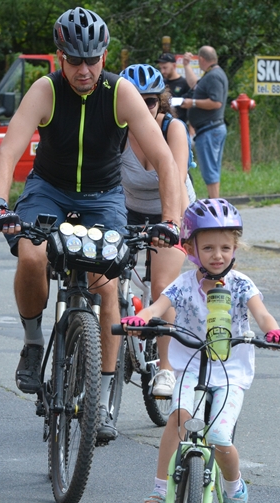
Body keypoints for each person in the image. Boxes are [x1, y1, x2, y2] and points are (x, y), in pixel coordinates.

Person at [0, 7, 183, 444]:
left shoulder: (121, 92)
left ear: (105, 55)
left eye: (92, 60)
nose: (84, 69)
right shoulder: (45, 90)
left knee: (105, 284)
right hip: (48, 191)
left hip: (103, 198)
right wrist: (0, 206)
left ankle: (104, 393)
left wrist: (171, 220)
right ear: (60, 57)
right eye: (74, 60)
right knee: (31, 253)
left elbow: (166, 161)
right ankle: (34, 340)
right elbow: (8, 151)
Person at [123, 198, 280, 503]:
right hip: (189, 365)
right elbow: (157, 308)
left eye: (226, 248)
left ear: (235, 248)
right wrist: (141, 320)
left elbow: (263, 314)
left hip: (231, 371)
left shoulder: (242, 284)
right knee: (178, 418)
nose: (218, 255)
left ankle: (234, 493)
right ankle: (159, 493)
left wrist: (275, 332)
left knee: (218, 436)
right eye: (210, 248)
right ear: (190, 249)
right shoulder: (184, 285)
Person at [119, 63, 197, 397]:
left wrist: (172, 224)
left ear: (160, 102)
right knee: (104, 275)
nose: (142, 107)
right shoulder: (116, 130)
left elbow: (176, 181)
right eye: (134, 100)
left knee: (163, 284)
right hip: (129, 210)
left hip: (173, 209)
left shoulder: (172, 128)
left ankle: (166, 369)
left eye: (149, 101)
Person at [180, 46, 228, 199]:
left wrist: (192, 103)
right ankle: (215, 201)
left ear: (201, 59)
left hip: (210, 129)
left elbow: (216, 102)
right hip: (208, 129)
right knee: (211, 168)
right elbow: (195, 84)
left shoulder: (214, 76)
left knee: (210, 170)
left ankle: (215, 204)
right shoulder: (211, 74)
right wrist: (186, 65)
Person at [155, 53, 190, 123]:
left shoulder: (184, 83)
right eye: (160, 68)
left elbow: (190, 106)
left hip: (180, 123)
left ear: (174, 66)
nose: (162, 71)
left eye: (165, 68)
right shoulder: (161, 83)